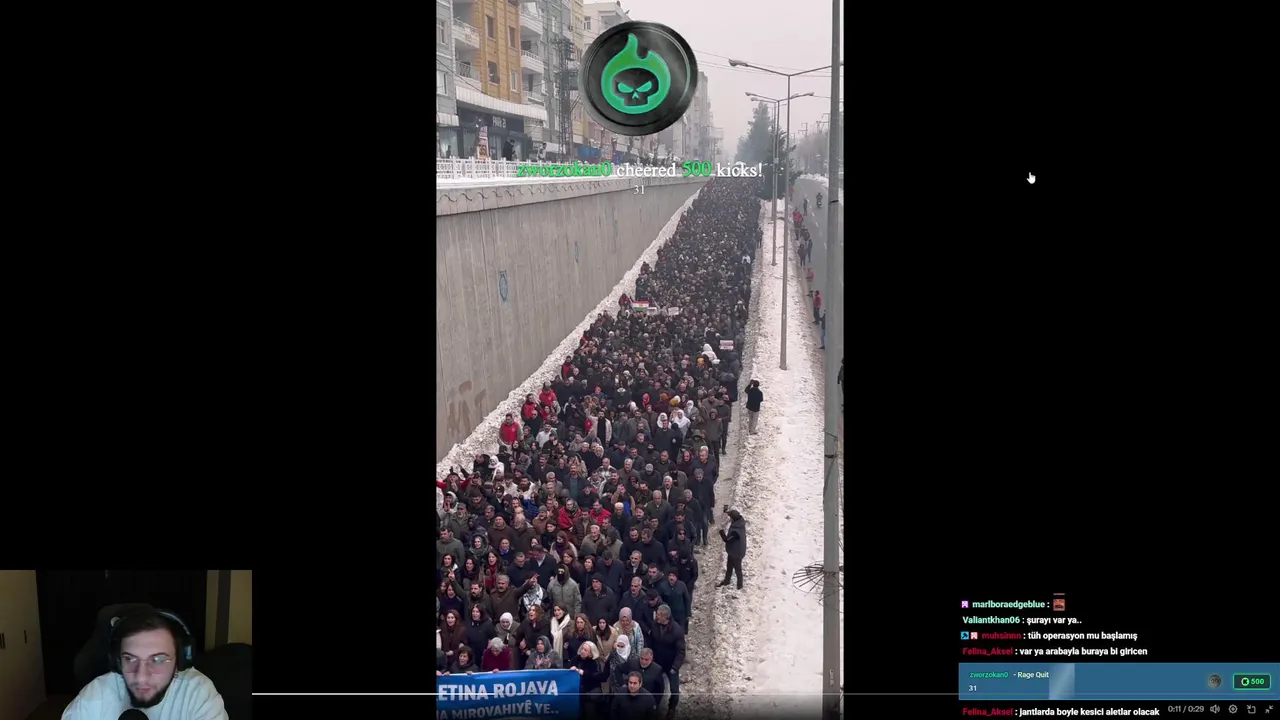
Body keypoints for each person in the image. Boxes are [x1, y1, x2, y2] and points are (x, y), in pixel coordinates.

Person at [61, 610, 229, 720]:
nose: (141, 677)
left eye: (158, 660)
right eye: (130, 659)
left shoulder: (198, 693)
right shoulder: (96, 695)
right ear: (117, 661)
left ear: (180, 661)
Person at [717, 509, 747, 589]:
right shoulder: (739, 523)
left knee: (738, 570)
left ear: (733, 518)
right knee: (729, 566)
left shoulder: (736, 531)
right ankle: (727, 581)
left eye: (730, 517)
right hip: (733, 550)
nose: (729, 518)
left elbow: (727, 540)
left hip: (736, 553)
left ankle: (740, 586)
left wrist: (720, 530)